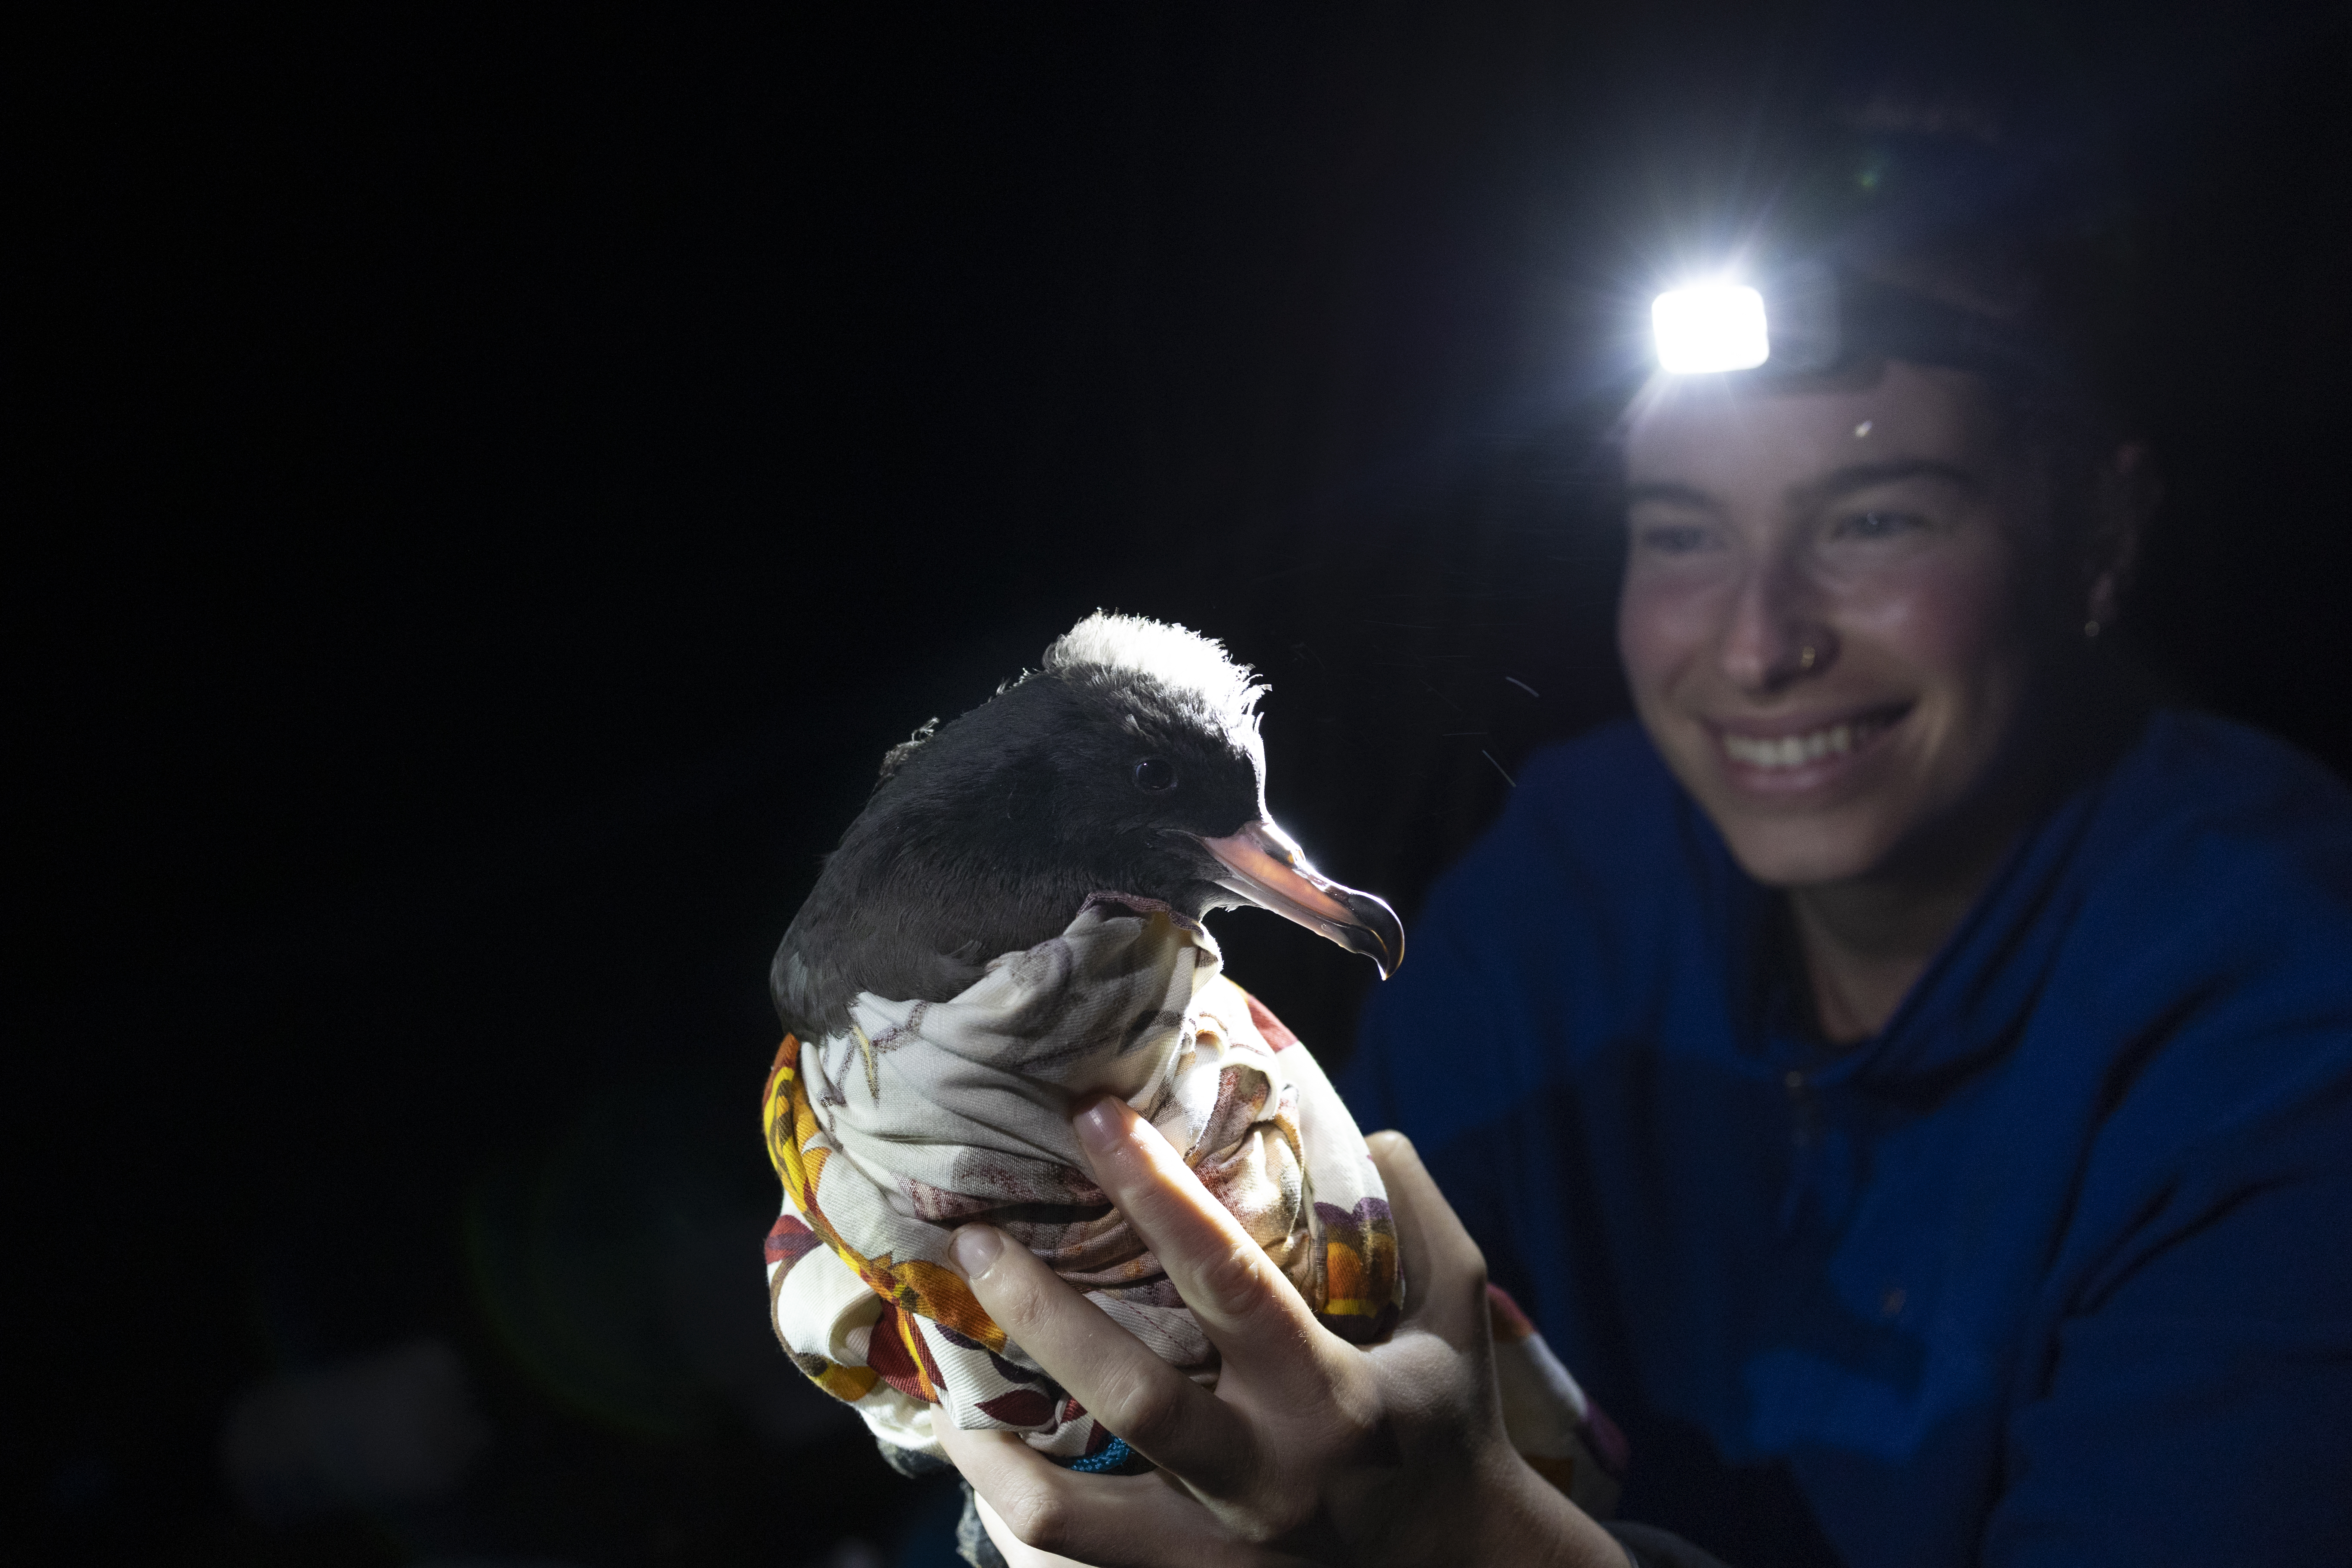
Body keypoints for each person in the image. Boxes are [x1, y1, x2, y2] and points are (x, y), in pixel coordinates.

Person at [930, 134, 2352, 1566]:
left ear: (2098, 539)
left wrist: (1463, 1544)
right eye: (1683, 536)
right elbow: (1308, 1339)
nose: (1758, 644)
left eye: (1873, 520)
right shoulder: (1581, 880)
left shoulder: (2285, 1015)